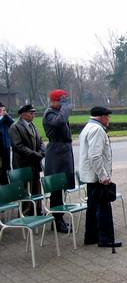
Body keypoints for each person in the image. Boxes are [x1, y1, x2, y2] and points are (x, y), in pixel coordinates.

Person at [79, 106, 121, 248]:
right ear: (101, 117)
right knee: (103, 208)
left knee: (92, 208)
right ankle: (105, 239)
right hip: (97, 176)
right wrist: (103, 175)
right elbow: (95, 156)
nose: (108, 119)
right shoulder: (97, 130)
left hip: (90, 176)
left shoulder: (88, 127)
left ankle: (91, 236)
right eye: (107, 116)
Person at [43, 89, 75, 233]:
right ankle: (57, 221)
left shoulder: (57, 112)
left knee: (61, 188)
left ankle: (59, 219)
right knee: (56, 189)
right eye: (61, 101)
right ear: (55, 101)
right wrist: (65, 108)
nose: (64, 104)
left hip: (63, 152)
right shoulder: (50, 113)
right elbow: (60, 122)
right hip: (56, 155)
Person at [9, 105, 45, 215]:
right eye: (31, 113)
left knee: (36, 187)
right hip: (23, 164)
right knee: (25, 189)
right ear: (23, 114)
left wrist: (42, 151)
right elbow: (18, 146)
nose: (33, 115)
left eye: (33, 113)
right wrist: (35, 154)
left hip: (34, 163)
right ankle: (25, 213)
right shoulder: (15, 127)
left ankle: (37, 210)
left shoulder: (32, 125)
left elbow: (40, 140)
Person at [0, 102, 14, 184]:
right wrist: (2, 117)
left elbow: (13, 124)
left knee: (7, 166)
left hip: (6, 146)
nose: (3, 111)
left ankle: (7, 183)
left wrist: (6, 116)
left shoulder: (5, 118)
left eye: (4, 109)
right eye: (1, 110)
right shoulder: (2, 119)